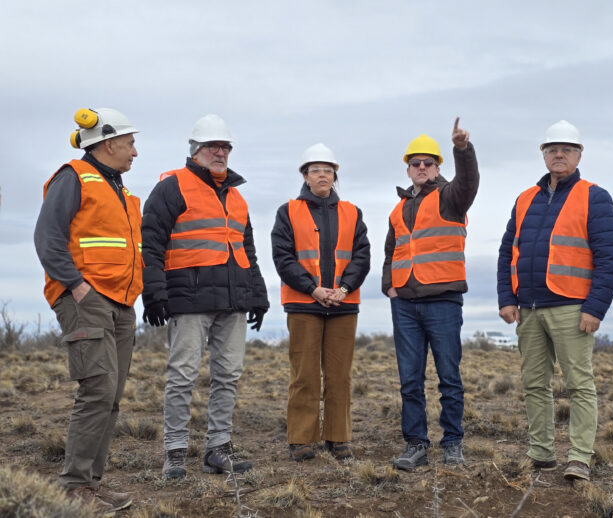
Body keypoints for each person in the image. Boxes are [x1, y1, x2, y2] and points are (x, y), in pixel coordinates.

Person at [141, 114, 269, 479]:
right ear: (195, 150)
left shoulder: (237, 197)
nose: (220, 152)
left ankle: (218, 449)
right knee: (182, 375)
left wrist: (257, 296)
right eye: (213, 146)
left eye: (225, 146)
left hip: (233, 301)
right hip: (189, 299)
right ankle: (175, 453)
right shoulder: (171, 187)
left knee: (228, 374)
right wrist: (154, 292)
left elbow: (248, 251)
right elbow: (150, 242)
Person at [497, 120, 613, 482]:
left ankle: (579, 458)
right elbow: (509, 251)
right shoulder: (524, 199)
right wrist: (508, 298)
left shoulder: (594, 196)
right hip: (529, 309)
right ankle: (541, 454)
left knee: (579, 384)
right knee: (534, 384)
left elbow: (609, 258)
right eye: (552, 149)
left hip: (572, 308)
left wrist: (594, 308)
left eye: (566, 149)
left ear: (579, 154)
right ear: (543, 154)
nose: (559, 154)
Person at [34, 107, 140, 515]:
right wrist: (76, 286)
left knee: (110, 396)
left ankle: (92, 483)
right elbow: (47, 237)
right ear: (109, 143)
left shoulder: (124, 193)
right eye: (130, 143)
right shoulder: (73, 178)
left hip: (122, 303)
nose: (135, 152)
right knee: (96, 390)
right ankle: (74, 487)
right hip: (87, 300)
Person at [383, 118, 479, 470]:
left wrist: (462, 150)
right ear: (408, 169)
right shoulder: (398, 208)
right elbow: (391, 251)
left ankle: (452, 442)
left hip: (442, 301)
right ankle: (416, 444)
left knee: (448, 377)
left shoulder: (451, 197)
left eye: (428, 162)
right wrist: (389, 287)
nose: (421, 168)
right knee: (410, 380)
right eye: (415, 163)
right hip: (405, 304)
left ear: (438, 167)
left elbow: (469, 180)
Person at [271, 143, 370, 461]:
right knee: (305, 374)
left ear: (335, 175)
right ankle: (301, 440)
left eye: (328, 170)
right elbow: (283, 258)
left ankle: (338, 438)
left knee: (340, 375)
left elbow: (362, 256)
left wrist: (344, 288)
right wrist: (313, 289)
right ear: (305, 175)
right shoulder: (288, 211)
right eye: (316, 170)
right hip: (304, 305)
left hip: (343, 304)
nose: (323, 175)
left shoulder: (352, 213)